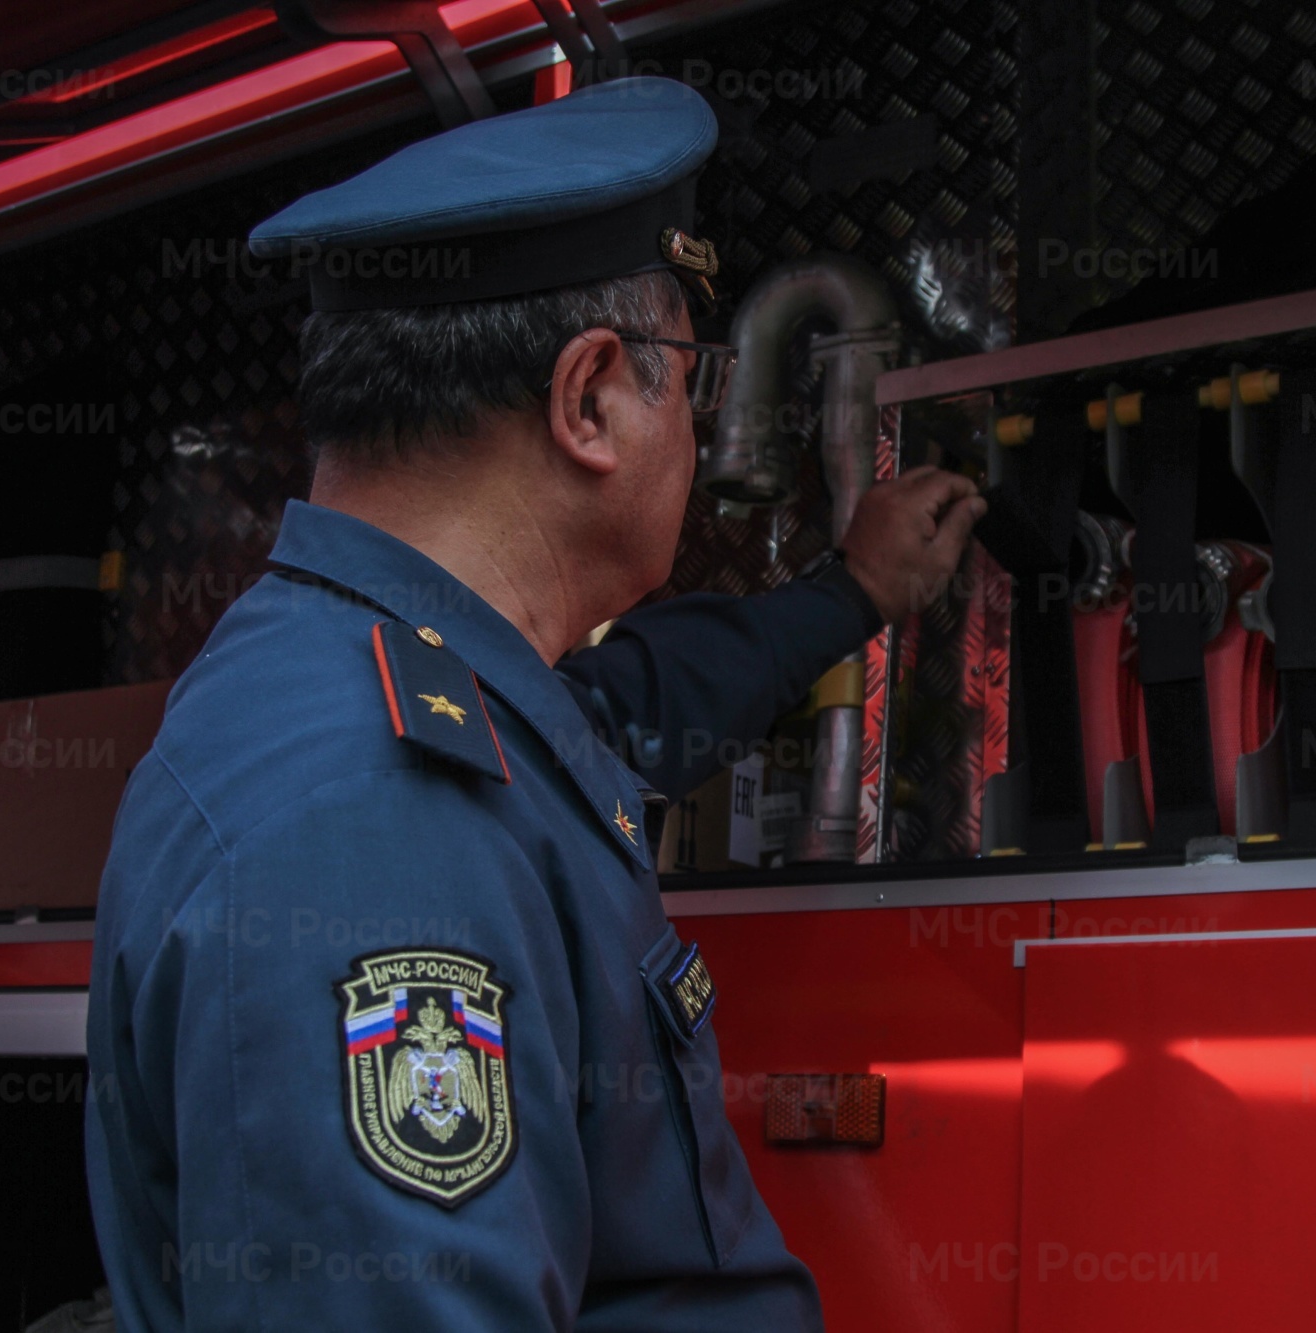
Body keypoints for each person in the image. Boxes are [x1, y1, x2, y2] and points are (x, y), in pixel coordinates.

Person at [84, 77, 983, 1330]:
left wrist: (851, 591)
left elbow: (624, 709)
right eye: (691, 374)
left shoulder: (406, 695)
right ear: (592, 397)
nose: (702, 417)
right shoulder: (374, 820)